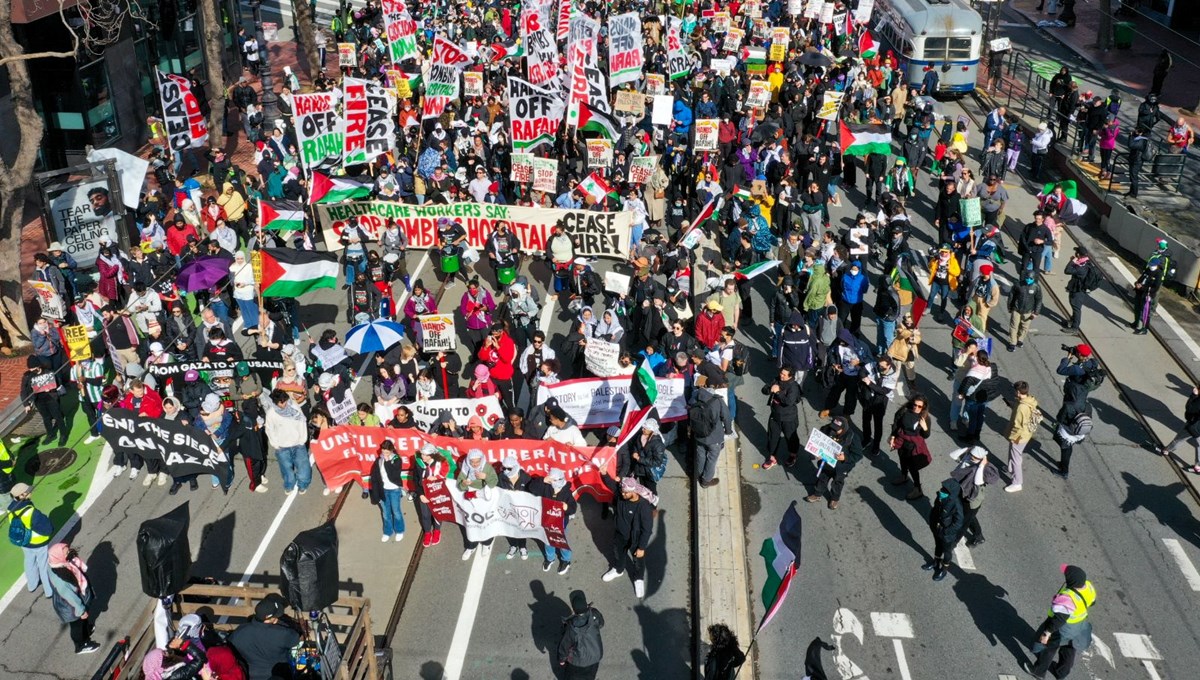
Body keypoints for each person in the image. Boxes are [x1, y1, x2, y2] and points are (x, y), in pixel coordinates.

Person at [597, 464, 656, 599]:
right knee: (619, 553)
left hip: (635, 539)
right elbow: (612, 485)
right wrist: (604, 474)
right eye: (622, 492)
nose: (623, 494)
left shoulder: (644, 508)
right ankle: (618, 569)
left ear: (634, 491)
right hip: (620, 534)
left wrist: (641, 547)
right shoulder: (621, 496)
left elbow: (647, 530)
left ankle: (639, 579)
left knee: (638, 560)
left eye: (626, 492)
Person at [1026, 565, 1096, 679]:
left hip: (1063, 629)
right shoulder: (1088, 586)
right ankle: (1061, 672)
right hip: (1078, 626)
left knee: (1049, 648)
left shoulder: (1067, 598)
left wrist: (1047, 633)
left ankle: (1038, 671)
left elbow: (1059, 619)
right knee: (1069, 649)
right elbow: (1092, 602)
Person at [229, 593, 301, 680]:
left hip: (249, 675)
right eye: (276, 616)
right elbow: (298, 639)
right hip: (278, 675)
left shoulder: (239, 631)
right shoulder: (282, 633)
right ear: (269, 618)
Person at [47, 542, 99, 654]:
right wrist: (81, 610)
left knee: (83, 621)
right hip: (70, 607)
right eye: (66, 552)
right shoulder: (61, 578)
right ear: (59, 556)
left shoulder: (57, 564)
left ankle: (86, 631)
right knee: (77, 624)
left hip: (73, 601)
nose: (69, 552)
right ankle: (81, 644)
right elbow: (70, 597)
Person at [804, 416, 863, 510]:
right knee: (822, 478)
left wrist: (845, 458)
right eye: (833, 428)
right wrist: (817, 452)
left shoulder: (853, 437)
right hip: (826, 463)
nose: (834, 431)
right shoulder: (826, 429)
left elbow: (858, 455)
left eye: (837, 429)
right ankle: (817, 494)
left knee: (838, 482)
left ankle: (834, 499)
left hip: (842, 467)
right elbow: (819, 441)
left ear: (844, 429)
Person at [6, 482, 54, 598]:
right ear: (22, 495)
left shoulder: (10, 509)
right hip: (38, 543)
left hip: (24, 541)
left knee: (29, 561)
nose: (31, 492)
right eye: (28, 491)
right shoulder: (31, 512)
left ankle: (32, 585)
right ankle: (49, 591)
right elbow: (47, 529)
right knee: (43, 565)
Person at [949, 446, 1001, 547]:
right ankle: (978, 535)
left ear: (982, 458)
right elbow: (952, 455)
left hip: (973, 498)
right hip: (963, 492)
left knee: (964, 522)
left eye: (975, 457)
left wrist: (981, 465)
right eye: (971, 455)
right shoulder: (967, 458)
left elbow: (978, 482)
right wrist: (967, 449)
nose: (972, 458)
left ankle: (953, 543)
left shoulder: (986, 468)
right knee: (968, 516)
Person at [264, 390, 311, 495]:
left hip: (297, 443)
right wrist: (275, 444)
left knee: (303, 466)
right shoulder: (271, 413)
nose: (284, 404)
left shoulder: (294, 407)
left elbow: (302, 422)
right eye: (281, 402)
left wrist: (302, 439)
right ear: (275, 402)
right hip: (282, 446)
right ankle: (289, 485)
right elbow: (269, 429)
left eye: (285, 400)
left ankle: (303, 485)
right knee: (286, 469)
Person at [534, 467, 578, 574]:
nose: (551, 482)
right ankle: (550, 558)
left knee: (561, 542)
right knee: (548, 542)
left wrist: (566, 507)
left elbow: (573, 508)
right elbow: (532, 488)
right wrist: (543, 480)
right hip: (547, 521)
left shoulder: (567, 493)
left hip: (561, 524)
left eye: (553, 480)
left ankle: (566, 560)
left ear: (559, 480)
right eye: (550, 480)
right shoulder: (546, 487)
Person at [888, 395, 933, 499]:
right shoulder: (904, 411)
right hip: (901, 441)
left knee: (912, 467)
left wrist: (925, 428)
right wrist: (893, 436)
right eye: (914, 405)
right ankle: (904, 476)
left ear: (923, 407)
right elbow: (896, 424)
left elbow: (926, 435)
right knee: (902, 459)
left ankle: (918, 489)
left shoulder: (925, 418)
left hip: (913, 445)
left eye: (919, 406)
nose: (916, 408)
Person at [457, 448, 498, 560]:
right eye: (472, 462)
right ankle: (471, 546)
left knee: (486, 522)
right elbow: (459, 486)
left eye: (477, 461)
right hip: (471, 498)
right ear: (468, 461)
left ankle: (486, 544)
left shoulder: (487, 467)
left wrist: (486, 477)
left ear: (482, 460)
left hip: (484, 498)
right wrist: (464, 483)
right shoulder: (465, 469)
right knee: (471, 523)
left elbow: (494, 482)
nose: (474, 464)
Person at [690, 382, 731, 486]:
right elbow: (726, 417)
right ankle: (706, 480)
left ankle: (700, 474)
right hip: (714, 437)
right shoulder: (718, 400)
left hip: (699, 434)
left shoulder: (695, 397)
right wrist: (728, 431)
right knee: (712, 458)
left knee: (701, 455)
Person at [557, 590, 605, 680]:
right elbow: (601, 623)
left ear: (574, 609)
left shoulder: (571, 627)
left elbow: (564, 646)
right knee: (590, 676)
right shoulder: (594, 613)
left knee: (572, 677)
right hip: (595, 656)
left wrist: (562, 659)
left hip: (577, 661)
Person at [762, 366, 802, 469]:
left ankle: (793, 455)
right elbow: (764, 389)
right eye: (781, 373)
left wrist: (778, 392)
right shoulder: (777, 380)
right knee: (772, 436)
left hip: (788, 418)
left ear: (790, 376)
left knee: (790, 437)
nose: (781, 375)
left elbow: (789, 401)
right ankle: (772, 457)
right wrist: (769, 389)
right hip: (775, 415)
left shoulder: (793, 387)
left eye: (784, 375)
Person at [924, 479, 964, 582]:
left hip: (947, 534)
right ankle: (936, 562)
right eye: (942, 488)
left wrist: (947, 531)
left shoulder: (956, 505)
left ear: (951, 493)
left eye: (945, 490)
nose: (941, 490)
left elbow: (958, 522)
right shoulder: (940, 497)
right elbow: (935, 509)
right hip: (936, 528)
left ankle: (944, 569)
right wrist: (932, 521)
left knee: (947, 551)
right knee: (937, 545)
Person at [1004, 381, 1040, 493]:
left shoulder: (1021, 407)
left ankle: (1017, 483)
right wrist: (1012, 405)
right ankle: (1011, 469)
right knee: (1014, 455)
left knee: (1016, 459)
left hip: (1019, 436)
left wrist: (1013, 437)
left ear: (1018, 392)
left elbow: (1018, 426)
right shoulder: (1029, 400)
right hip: (1026, 434)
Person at [368, 441, 407, 543]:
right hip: (383, 490)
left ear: (391, 450)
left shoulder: (397, 460)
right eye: (383, 452)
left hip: (394, 490)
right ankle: (387, 532)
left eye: (387, 452)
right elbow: (375, 478)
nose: (384, 454)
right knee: (386, 513)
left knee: (396, 511)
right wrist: (376, 495)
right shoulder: (379, 461)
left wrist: (388, 461)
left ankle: (399, 530)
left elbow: (394, 474)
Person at [1158, 384, 1200, 473]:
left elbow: (1190, 408)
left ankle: (1166, 450)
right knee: (1199, 445)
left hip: (1195, 425)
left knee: (1179, 439)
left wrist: (1193, 395)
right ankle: (1198, 466)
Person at [1062, 247, 1100, 331]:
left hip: (1078, 290)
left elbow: (1067, 270)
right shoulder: (1085, 262)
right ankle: (1072, 320)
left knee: (1076, 308)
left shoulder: (1081, 267)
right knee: (1075, 306)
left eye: (1076, 252)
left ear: (1078, 254)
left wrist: (1072, 261)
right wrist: (1075, 262)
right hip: (1078, 288)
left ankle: (1075, 327)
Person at [1006, 268, 1043, 351]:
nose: (1028, 280)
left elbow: (1039, 300)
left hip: (1028, 311)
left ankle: (1020, 339)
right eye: (1027, 278)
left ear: (1034, 279)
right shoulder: (1018, 285)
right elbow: (1011, 296)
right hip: (1016, 309)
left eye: (1031, 278)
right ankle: (1012, 342)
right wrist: (1009, 307)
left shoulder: (1036, 287)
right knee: (1014, 326)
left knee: (1024, 327)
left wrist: (1036, 312)